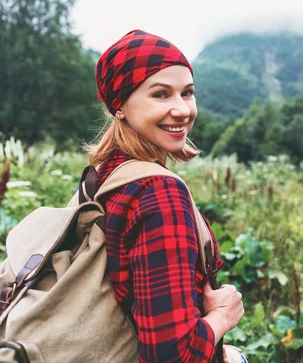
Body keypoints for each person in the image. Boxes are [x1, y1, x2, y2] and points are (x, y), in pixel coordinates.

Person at [87, 29, 247, 362]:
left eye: (187, 93)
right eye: (160, 95)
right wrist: (224, 316)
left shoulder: (104, 175)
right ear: (119, 105)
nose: (182, 110)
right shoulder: (158, 193)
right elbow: (172, 354)